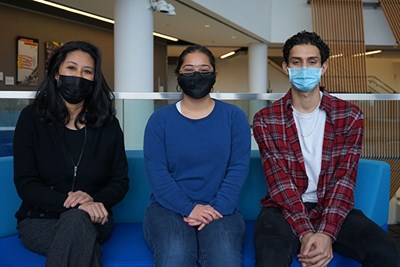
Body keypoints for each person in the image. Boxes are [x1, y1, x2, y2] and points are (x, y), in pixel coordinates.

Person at [253, 31, 400, 267]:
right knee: (270, 256)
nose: (304, 68)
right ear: (285, 67)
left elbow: (344, 179)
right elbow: (279, 183)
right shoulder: (266, 119)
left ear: (323, 68)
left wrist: (326, 233)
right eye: (296, 62)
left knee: (386, 251)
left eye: (312, 62)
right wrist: (306, 233)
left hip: (331, 205)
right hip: (282, 209)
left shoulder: (349, 115)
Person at [13, 40, 129, 267]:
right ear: (57, 73)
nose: (79, 76)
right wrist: (76, 204)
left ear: (94, 79)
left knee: (78, 222)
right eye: (71, 68)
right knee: (81, 235)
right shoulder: (32, 119)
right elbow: (26, 184)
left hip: (95, 217)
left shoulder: (108, 125)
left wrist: (94, 203)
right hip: (40, 219)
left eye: (87, 71)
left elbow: (120, 181)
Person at [143, 44, 251, 266]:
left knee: (225, 259)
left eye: (204, 69)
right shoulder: (159, 121)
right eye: (189, 70)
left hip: (221, 208)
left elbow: (238, 168)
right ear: (178, 75)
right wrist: (189, 208)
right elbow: (158, 173)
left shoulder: (234, 117)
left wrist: (216, 208)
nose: (196, 75)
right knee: (176, 254)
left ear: (214, 75)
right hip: (167, 208)